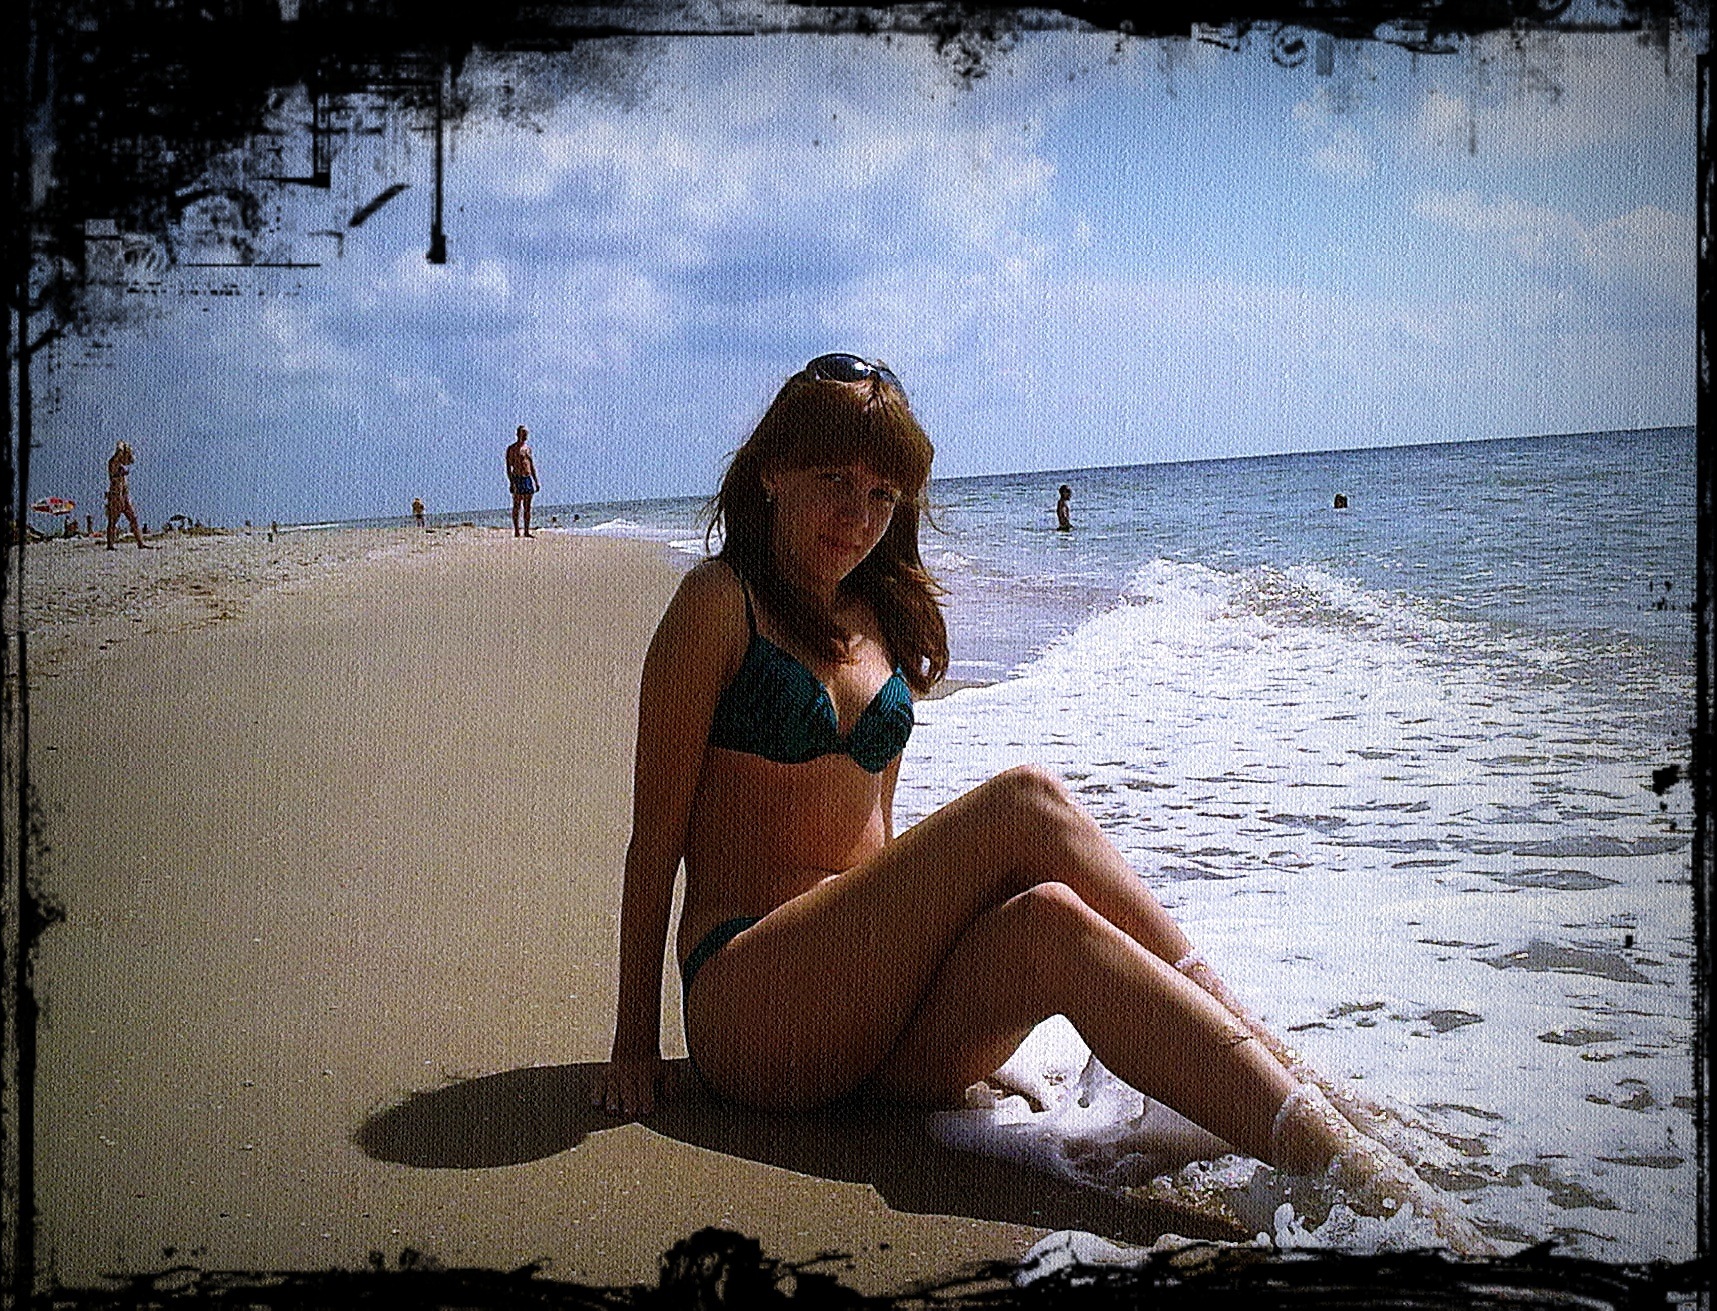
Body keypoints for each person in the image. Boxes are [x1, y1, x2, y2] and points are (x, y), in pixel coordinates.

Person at [592, 353, 1494, 1254]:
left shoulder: (880, 619)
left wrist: (940, 975)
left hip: (870, 1028)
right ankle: (1259, 1036)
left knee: (1050, 922)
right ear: (771, 472)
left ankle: (1354, 1176)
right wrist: (635, 1041)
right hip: (754, 1008)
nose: (856, 514)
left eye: (880, 494)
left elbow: (878, 840)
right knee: (1027, 798)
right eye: (833, 479)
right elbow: (654, 838)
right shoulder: (720, 602)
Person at [105, 442, 150, 550]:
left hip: (124, 496)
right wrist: (122, 447)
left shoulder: (119, 466)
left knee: (133, 519)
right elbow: (119, 452)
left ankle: (140, 543)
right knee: (113, 521)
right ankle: (110, 545)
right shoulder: (113, 463)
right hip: (116, 496)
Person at [506, 426, 538, 537]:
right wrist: (511, 482)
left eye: (526, 434)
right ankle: (516, 530)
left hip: (527, 478)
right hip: (517, 478)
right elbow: (508, 467)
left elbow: (531, 465)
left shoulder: (528, 449)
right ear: (518, 434)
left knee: (527, 507)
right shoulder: (512, 449)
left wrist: (536, 481)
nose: (525, 436)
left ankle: (526, 531)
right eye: (523, 433)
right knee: (517, 505)